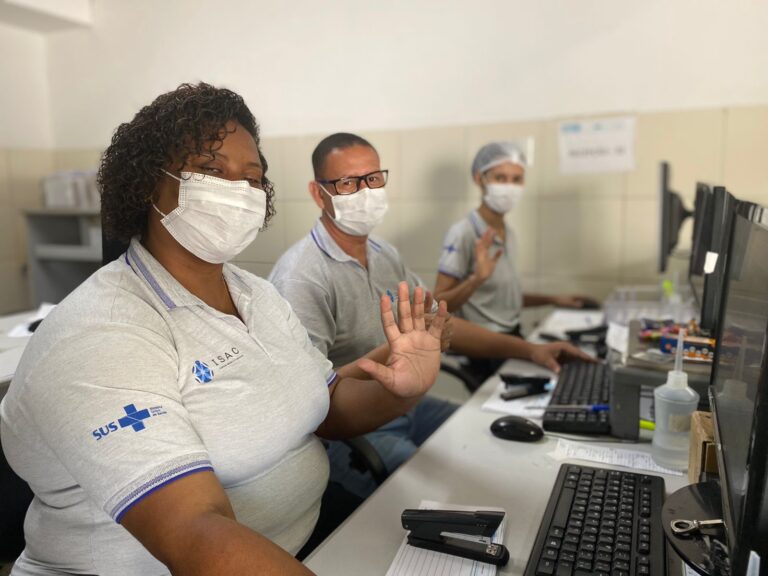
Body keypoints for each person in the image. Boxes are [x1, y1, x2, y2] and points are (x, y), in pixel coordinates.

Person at [0, 84, 448, 576]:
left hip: (305, 541)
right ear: (151, 183)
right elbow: (196, 534)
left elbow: (327, 402)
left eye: (252, 178)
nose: (239, 191)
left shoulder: (257, 295)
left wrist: (404, 392)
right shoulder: (100, 334)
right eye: (212, 170)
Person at [268, 133, 593, 498]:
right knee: (454, 496)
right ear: (318, 193)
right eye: (347, 182)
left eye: (373, 179)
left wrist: (529, 350)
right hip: (357, 433)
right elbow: (306, 401)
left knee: (492, 448)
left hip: (409, 407)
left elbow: (438, 319)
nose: (365, 192)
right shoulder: (301, 277)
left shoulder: (384, 254)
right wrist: (397, 353)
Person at [434, 141, 597, 382]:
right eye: (501, 177)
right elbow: (438, 303)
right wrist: (476, 279)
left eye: (517, 179)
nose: (509, 187)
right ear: (480, 178)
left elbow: (500, 298)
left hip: (511, 338)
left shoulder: (508, 233)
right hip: (484, 347)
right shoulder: (464, 233)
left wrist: (552, 300)